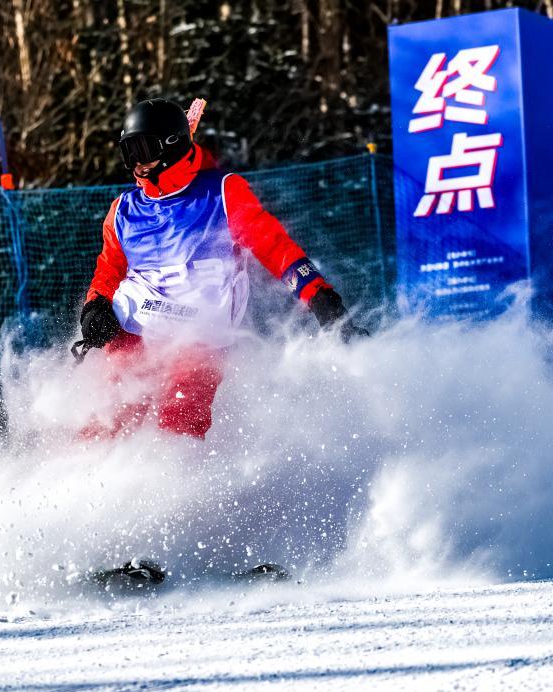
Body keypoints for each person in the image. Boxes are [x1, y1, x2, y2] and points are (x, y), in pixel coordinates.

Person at [74, 98, 367, 443]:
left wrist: (318, 296)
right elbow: (109, 267)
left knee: (180, 416)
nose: (136, 161)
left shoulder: (223, 193)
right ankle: (86, 475)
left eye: (144, 148)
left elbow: (274, 247)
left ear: (172, 145)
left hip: (197, 329)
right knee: (114, 407)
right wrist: (96, 305)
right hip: (136, 322)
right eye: (129, 151)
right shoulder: (123, 210)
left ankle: (173, 481)